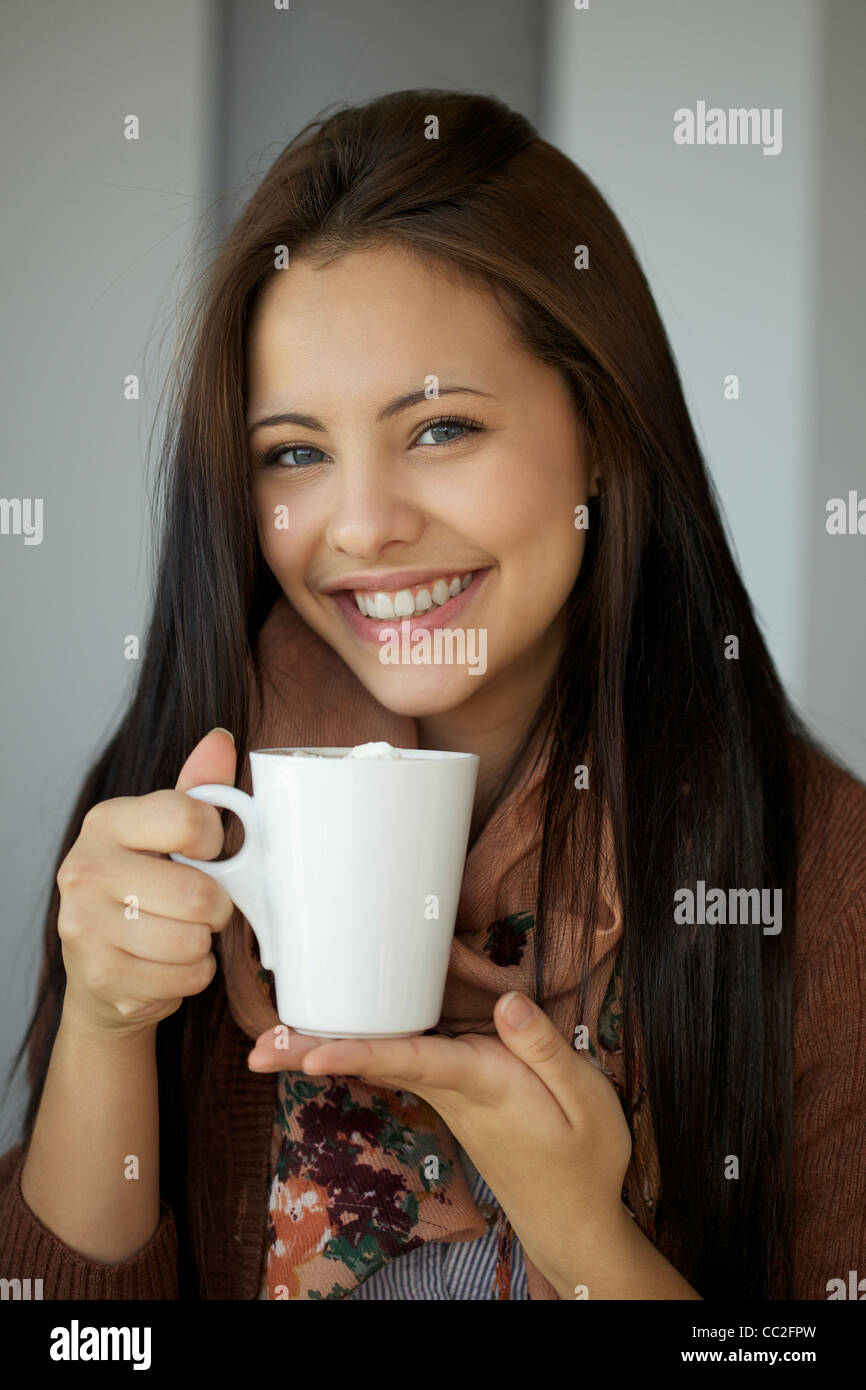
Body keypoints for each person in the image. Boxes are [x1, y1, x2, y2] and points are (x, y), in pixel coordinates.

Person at [1, 88, 864, 1301]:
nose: (362, 525)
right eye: (294, 453)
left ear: (604, 428)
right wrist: (103, 1023)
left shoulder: (819, 877)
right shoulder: (177, 810)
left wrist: (584, 1238)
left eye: (440, 427)